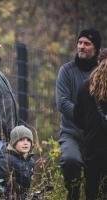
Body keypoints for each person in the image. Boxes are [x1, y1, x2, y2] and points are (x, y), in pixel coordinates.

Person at [55, 28, 101, 200]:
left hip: (98, 136)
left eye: (87, 44)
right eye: (80, 43)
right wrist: (86, 121)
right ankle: (73, 194)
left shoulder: (101, 73)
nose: (82, 47)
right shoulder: (66, 71)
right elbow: (63, 103)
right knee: (70, 160)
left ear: (96, 48)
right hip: (72, 132)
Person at [74, 48, 107, 200]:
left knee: (92, 191)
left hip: (92, 146)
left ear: (98, 61)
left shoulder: (85, 86)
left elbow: (77, 118)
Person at [0, 125, 35, 200]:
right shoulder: (5, 160)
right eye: (21, 140)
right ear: (14, 142)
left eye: (28, 140)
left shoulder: (30, 161)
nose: (25, 143)